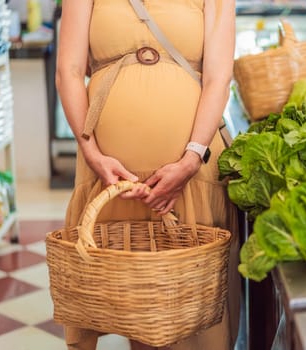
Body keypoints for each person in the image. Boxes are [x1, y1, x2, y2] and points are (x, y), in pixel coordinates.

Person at [55, 0, 240, 349]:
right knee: (132, 301)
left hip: (191, 170)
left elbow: (219, 76)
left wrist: (191, 158)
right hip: (109, 176)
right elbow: (68, 69)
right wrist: (92, 154)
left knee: (196, 306)